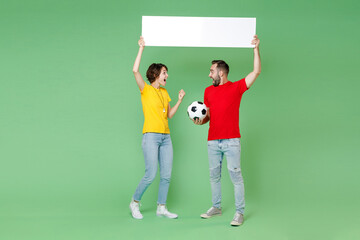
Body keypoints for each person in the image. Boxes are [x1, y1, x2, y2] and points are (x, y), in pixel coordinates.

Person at [193, 35, 261, 226]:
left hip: (232, 141)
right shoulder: (208, 91)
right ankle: (216, 207)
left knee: (235, 176)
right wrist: (200, 121)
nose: (209, 74)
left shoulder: (236, 87)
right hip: (213, 141)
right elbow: (207, 116)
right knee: (214, 176)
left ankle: (239, 213)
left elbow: (256, 71)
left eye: (211, 71)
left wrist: (255, 49)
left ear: (221, 73)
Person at [129, 36, 185, 219]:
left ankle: (161, 207)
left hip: (166, 137)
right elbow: (135, 70)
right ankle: (134, 202)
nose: (167, 75)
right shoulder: (145, 89)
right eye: (164, 73)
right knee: (151, 173)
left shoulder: (165, 92)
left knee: (166, 175)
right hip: (151, 136)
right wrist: (141, 48)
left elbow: (169, 114)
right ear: (155, 74)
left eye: (167, 73)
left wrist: (179, 101)